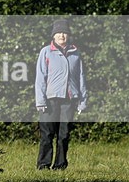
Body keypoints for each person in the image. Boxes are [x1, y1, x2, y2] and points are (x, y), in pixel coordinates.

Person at [34, 18, 88, 170]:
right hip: (50, 100)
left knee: (64, 135)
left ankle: (60, 165)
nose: (62, 36)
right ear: (53, 35)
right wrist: (40, 100)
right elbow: (40, 77)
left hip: (69, 99)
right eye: (59, 33)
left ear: (69, 35)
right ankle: (43, 164)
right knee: (47, 134)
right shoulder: (46, 52)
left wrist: (83, 100)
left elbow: (81, 77)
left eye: (65, 33)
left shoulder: (76, 53)